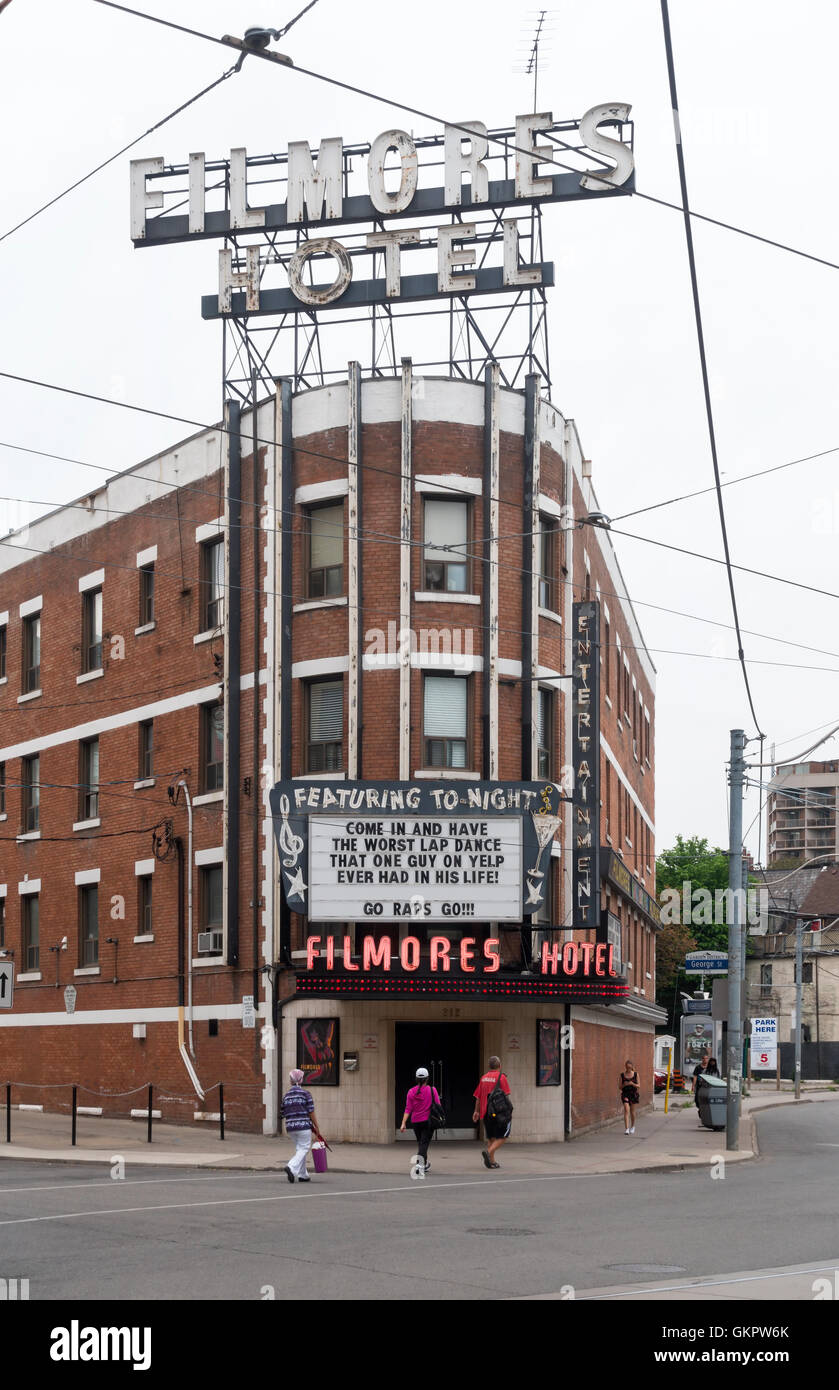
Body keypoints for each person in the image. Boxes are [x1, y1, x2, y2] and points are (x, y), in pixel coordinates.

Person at [473, 1055, 512, 1169]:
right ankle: (488, 1152)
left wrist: (476, 1111)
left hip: (486, 1113)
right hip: (499, 1113)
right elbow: (506, 1096)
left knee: (491, 1137)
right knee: (503, 1136)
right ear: (499, 1066)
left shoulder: (483, 1078)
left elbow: (478, 1097)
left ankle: (491, 1161)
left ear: (489, 1066)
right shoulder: (502, 1078)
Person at [281, 1068, 319, 1184]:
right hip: (303, 1127)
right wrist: (317, 1127)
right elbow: (311, 1111)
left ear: (291, 1081)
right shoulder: (306, 1094)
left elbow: (282, 1112)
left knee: (300, 1148)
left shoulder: (286, 1095)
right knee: (304, 1148)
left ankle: (303, 1175)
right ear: (301, 1080)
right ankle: (291, 1167)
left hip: (291, 1127)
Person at [400, 1067, 441, 1172]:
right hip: (428, 1122)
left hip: (415, 1122)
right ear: (427, 1079)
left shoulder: (411, 1092)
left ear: (416, 1079)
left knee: (421, 1142)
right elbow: (438, 1105)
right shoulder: (433, 1090)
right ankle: (419, 1164)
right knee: (424, 1143)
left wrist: (403, 1123)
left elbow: (408, 1108)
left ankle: (425, 1163)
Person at [620, 1059, 640, 1134]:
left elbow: (639, 1086)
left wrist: (632, 1084)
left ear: (632, 1067)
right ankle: (627, 1129)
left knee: (632, 1112)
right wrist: (624, 1085)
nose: (628, 1069)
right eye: (626, 1067)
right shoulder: (622, 1075)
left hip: (633, 1094)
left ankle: (633, 1126)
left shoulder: (636, 1074)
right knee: (626, 1109)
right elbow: (619, 1087)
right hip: (625, 1094)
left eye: (629, 1067)